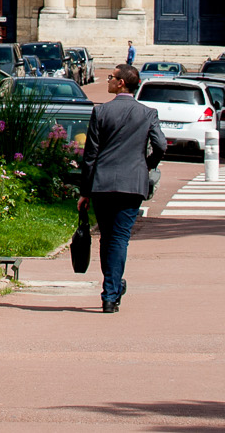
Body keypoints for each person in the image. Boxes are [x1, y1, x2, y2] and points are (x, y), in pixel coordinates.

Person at [80, 64, 167, 315]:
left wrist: (85, 191)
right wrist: (146, 166)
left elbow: (91, 155)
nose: (108, 80)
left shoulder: (101, 112)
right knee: (118, 239)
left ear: (121, 83)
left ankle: (111, 290)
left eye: (111, 77)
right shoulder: (148, 113)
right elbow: (160, 145)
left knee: (108, 238)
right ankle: (111, 291)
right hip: (132, 185)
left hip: (103, 184)